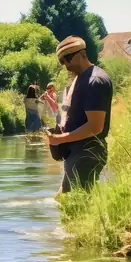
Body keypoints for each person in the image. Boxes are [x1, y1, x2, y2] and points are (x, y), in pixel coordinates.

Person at [46, 36, 112, 191]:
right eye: (62, 62)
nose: (65, 66)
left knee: (74, 202)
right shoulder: (80, 79)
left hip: (87, 152)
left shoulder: (94, 81)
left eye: (65, 60)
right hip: (76, 151)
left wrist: (62, 138)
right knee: (66, 198)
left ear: (78, 55)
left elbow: (95, 127)